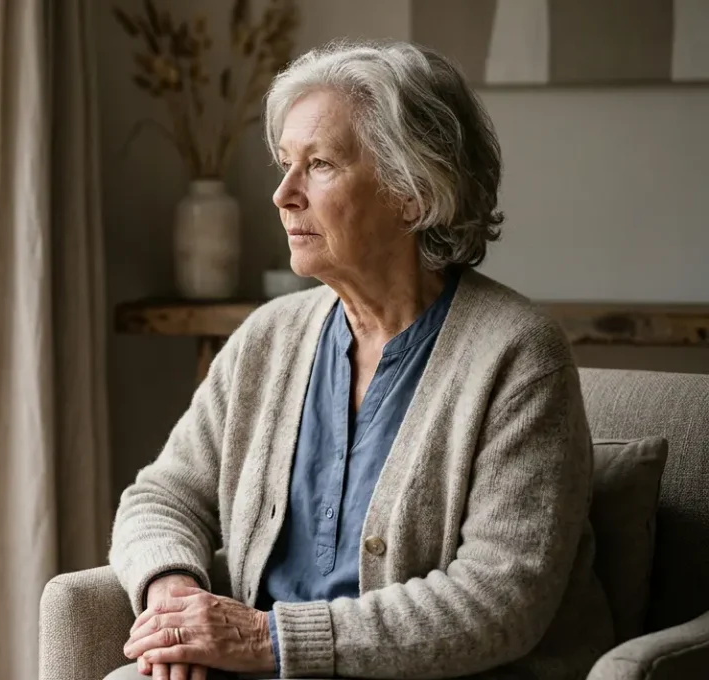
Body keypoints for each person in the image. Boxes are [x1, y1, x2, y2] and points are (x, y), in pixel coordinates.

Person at [105, 41, 612, 680]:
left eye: (318, 165)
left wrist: (266, 638)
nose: (283, 194)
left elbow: (498, 600)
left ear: (413, 191)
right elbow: (162, 494)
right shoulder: (270, 336)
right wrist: (174, 592)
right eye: (285, 163)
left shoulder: (517, 355)